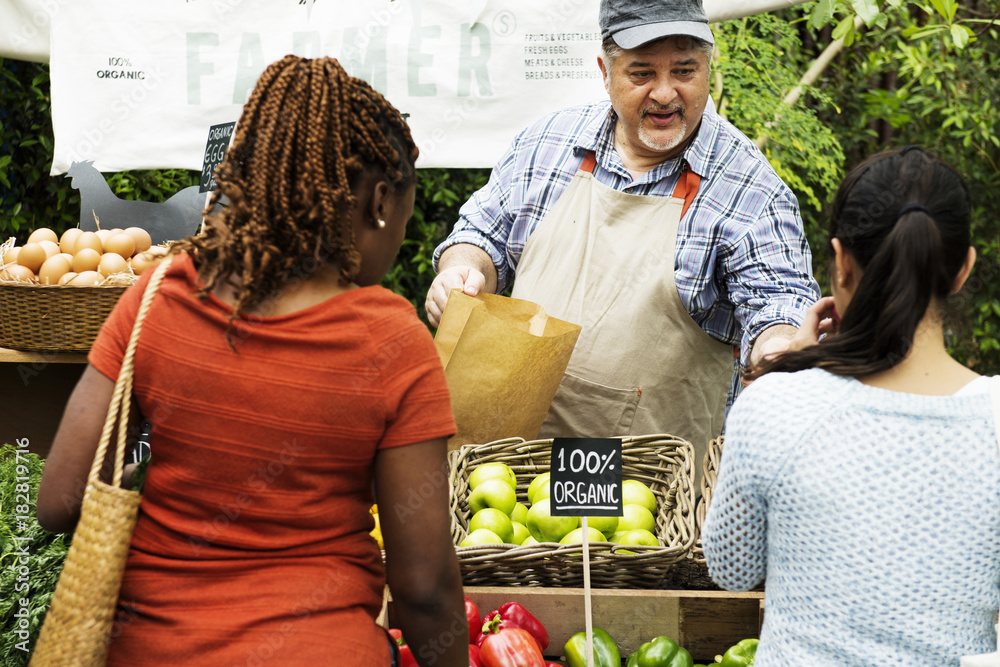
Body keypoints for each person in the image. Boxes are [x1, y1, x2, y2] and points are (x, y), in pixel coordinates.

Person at [37, 55, 467, 667]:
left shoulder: (159, 296)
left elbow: (60, 499)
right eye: (402, 212)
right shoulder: (396, 342)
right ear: (379, 200)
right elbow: (424, 589)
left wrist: (164, 483)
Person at [424, 0, 819, 480]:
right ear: (604, 72)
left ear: (709, 69)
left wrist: (779, 347)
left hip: (654, 500)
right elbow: (480, 235)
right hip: (517, 481)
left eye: (684, 70)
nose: (666, 93)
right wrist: (460, 271)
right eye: (642, 73)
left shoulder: (749, 188)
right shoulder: (547, 143)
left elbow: (779, 302)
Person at [702, 147, 1000, 665]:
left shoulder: (778, 408)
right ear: (962, 270)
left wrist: (781, 374)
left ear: (841, 263)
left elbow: (732, 568)